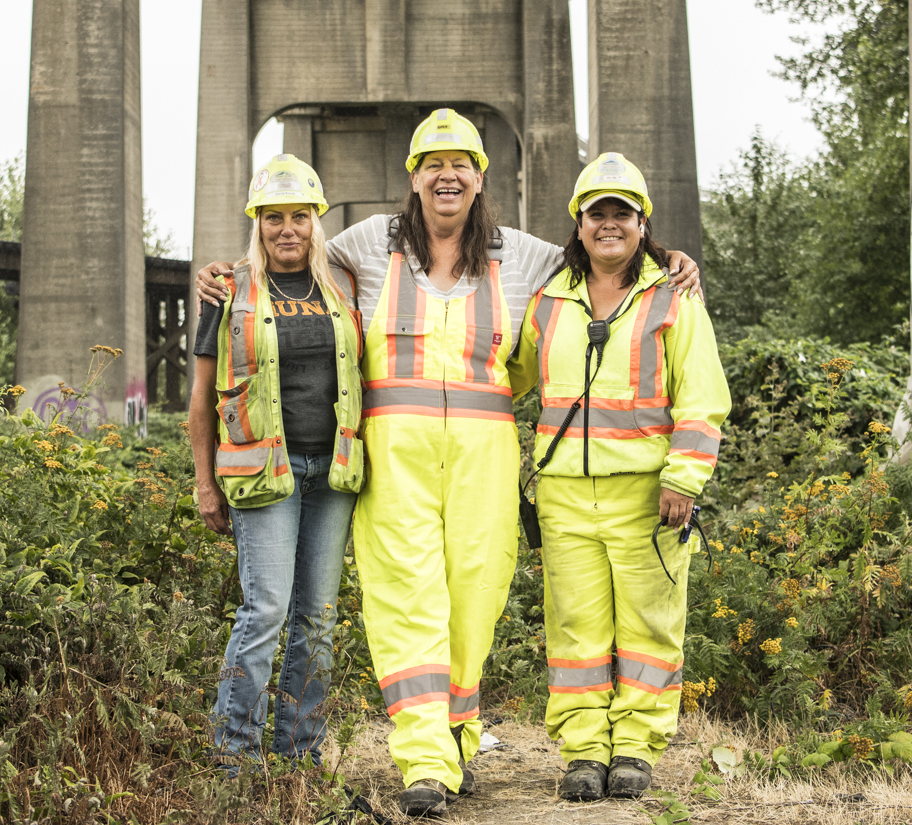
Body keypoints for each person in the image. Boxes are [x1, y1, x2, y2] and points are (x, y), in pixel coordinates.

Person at [197, 109, 701, 817]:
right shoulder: (366, 243)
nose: (447, 173)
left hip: (484, 457)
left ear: (479, 175)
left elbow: (607, 259)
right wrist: (220, 272)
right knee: (407, 602)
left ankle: (455, 740)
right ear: (413, 176)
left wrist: (671, 259)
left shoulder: (523, 255)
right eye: (433, 162)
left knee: (474, 599)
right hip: (394, 458)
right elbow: (287, 256)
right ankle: (424, 761)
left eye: (460, 161)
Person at [507, 152, 730, 802]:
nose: (609, 224)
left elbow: (703, 395)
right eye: (597, 213)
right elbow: (512, 377)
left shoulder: (673, 297)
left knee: (649, 626)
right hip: (564, 496)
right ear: (579, 225)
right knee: (575, 629)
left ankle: (635, 745)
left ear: (642, 223)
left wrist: (684, 480)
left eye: (622, 213)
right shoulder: (548, 301)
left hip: (648, 498)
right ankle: (583, 750)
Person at [187, 155, 366, 773]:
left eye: (299, 217)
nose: (286, 229)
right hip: (265, 475)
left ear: (317, 221)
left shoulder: (344, 286)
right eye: (272, 218)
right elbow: (200, 402)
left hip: (332, 472)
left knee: (317, 618)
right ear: (256, 223)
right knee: (265, 611)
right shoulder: (227, 289)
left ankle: (300, 754)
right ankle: (234, 757)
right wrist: (204, 484)